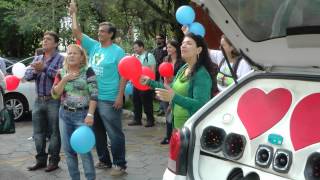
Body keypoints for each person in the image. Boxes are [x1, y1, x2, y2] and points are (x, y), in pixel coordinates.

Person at [69, 1, 127, 176]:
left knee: (114, 133)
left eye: (103, 31)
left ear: (110, 34)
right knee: (98, 132)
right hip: (93, 97)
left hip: (110, 99)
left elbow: (124, 75)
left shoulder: (118, 52)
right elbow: (76, 32)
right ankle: (104, 160)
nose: (99, 33)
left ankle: (119, 164)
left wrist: (120, 96)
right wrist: (73, 13)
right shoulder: (94, 46)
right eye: (99, 30)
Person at [141, 33, 217, 129]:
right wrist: (150, 82)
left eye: (189, 43)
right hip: (177, 127)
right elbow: (171, 89)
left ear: (199, 50)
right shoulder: (184, 68)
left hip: (191, 130)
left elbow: (200, 105)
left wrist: (173, 97)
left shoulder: (201, 74)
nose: (183, 46)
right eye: (182, 43)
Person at [52, 44, 98, 180]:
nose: (71, 55)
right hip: (64, 115)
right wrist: (65, 79)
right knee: (68, 151)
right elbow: (54, 94)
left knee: (84, 151)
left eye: (75, 53)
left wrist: (90, 114)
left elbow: (94, 94)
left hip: (82, 116)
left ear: (81, 56)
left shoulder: (88, 71)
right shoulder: (61, 72)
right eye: (69, 53)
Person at [25, 31, 64, 172]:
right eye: (44, 39)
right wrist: (35, 71)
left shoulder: (60, 59)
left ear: (55, 43)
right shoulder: (38, 58)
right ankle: (40, 160)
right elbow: (27, 75)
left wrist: (45, 68)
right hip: (38, 100)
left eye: (48, 39)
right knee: (38, 132)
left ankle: (53, 161)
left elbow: (60, 76)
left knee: (54, 132)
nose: (45, 41)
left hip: (53, 100)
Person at [160, 39, 185, 144]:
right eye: (167, 47)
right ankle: (168, 136)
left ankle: (178, 135)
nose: (168, 49)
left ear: (176, 48)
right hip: (166, 88)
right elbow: (162, 72)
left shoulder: (182, 60)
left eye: (170, 47)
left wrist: (173, 77)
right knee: (168, 113)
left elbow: (183, 75)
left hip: (178, 89)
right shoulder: (165, 59)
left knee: (176, 112)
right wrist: (165, 83)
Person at [128, 40, 156, 127]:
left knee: (147, 102)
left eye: (136, 47)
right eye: (134, 48)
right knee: (136, 101)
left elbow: (152, 70)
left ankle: (150, 120)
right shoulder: (136, 57)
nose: (135, 49)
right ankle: (137, 119)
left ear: (141, 47)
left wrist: (152, 83)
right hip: (136, 83)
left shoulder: (149, 56)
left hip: (146, 83)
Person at [152, 34, 167, 116]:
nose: (157, 40)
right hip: (156, 72)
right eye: (156, 38)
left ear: (163, 39)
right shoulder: (155, 50)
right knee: (158, 90)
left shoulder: (166, 49)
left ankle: (163, 109)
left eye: (159, 38)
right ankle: (161, 107)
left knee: (162, 90)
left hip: (164, 73)